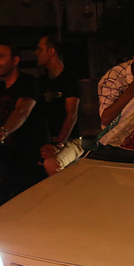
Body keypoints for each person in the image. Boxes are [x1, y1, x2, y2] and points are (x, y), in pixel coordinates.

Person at [0, 41, 48, 191]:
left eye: (0, 56)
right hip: (10, 152)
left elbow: (22, 111)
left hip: (31, 152)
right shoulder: (0, 88)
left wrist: (1, 133)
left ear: (15, 60)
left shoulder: (29, 82)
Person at [33, 34, 82, 175]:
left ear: (51, 52)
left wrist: (59, 143)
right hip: (49, 140)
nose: (36, 53)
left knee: (52, 163)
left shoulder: (69, 78)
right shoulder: (41, 82)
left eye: (40, 49)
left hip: (71, 140)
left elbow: (71, 114)